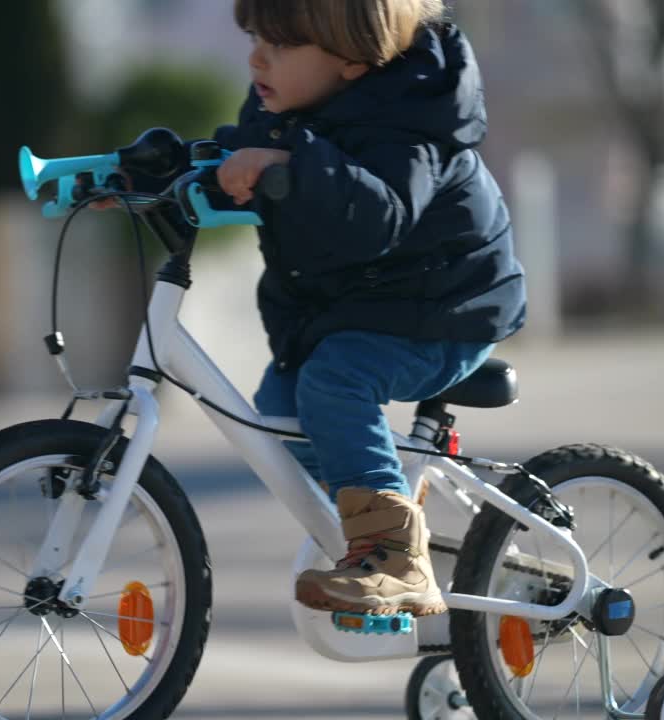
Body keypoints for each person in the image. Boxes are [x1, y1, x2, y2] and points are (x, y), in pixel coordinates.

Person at [107, 0, 526, 618]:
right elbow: (230, 158)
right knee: (278, 411)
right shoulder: (281, 110)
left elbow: (378, 213)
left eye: (279, 45)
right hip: (357, 310)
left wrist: (290, 165)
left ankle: (393, 555)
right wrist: (133, 179)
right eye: (255, 37)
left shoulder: (409, 118)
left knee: (333, 385)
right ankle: (390, 517)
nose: (256, 57)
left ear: (353, 59)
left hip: (442, 308)